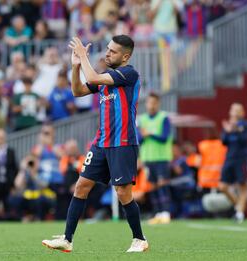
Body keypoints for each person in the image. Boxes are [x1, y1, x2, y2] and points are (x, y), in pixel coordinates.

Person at [42, 35, 148, 253]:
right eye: (108, 49)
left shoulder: (128, 74)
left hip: (123, 142)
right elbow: (77, 91)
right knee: (81, 186)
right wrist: (75, 66)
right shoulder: (106, 77)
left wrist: (83, 56)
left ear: (125, 56)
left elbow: (92, 76)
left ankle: (139, 239)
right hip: (101, 142)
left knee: (123, 193)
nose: (108, 53)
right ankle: (67, 239)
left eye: (113, 51)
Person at [138, 93, 173, 225]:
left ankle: (166, 213)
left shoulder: (164, 118)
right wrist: (144, 136)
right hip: (148, 158)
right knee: (152, 186)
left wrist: (150, 134)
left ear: (158, 104)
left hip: (161, 157)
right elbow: (139, 139)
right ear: (146, 104)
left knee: (162, 184)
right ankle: (158, 213)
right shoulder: (142, 119)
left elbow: (164, 138)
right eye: (149, 103)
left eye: (154, 103)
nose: (151, 105)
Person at [219, 103, 247, 223]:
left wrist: (235, 128)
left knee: (242, 186)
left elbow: (245, 140)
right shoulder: (228, 125)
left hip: (241, 159)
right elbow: (223, 141)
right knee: (222, 186)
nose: (235, 112)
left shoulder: (246, 125)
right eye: (233, 109)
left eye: (238, 110)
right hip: (229, 159)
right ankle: (239, 206)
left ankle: (239, 214)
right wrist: (228, 131)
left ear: (242, 113)